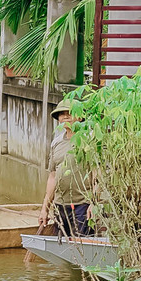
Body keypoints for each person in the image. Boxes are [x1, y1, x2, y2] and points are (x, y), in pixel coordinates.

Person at [38, 101, 92, 236]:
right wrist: (45, 208)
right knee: (61, 246)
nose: (66, 117)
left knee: (82, 248)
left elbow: (99, 174)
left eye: (70, 113)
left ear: (80, 117)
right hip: (60, 205)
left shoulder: (89, 139)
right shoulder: (57, 142)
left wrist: (94, 203)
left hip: (83, 205)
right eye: (62, 114)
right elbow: (53, 176)